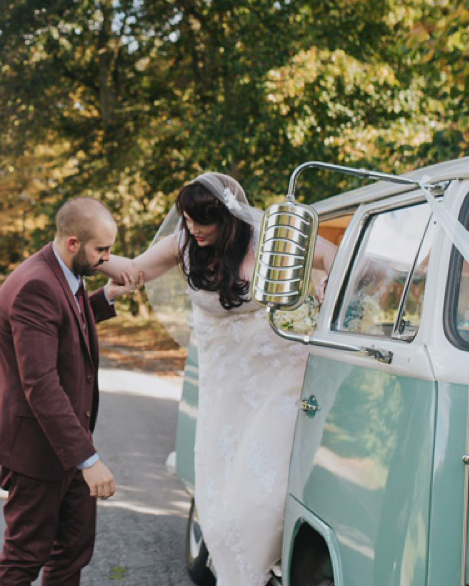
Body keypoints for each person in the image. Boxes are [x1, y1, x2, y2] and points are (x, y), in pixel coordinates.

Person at [101, 173, 336, 586]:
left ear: (227, 217)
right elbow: (135, 271)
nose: (193, 230)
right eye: (187, 221)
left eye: (201, 222)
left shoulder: (267, 238)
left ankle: (259, 567)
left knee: (262, 486)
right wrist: (97, 275)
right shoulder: (184, 244)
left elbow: (332, 255)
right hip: (223, 384)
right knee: (222, 487)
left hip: (278, 375)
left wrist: (325, 285)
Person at [0, 196, 144, 586]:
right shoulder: (36, 284)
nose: (107, 259)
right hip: (34, 446)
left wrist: (108, 297)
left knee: (72, 550)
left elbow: (65, 321)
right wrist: (88, 460)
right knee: (25, 556)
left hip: (64, 443)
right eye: (102, 250)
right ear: (73, 243)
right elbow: (41, 384)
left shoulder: (61, 271)